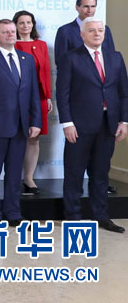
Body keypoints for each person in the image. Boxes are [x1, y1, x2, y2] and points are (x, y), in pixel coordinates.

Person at [56, 17, 128, 233]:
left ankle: (101, 216)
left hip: (108, 125)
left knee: (101, 173)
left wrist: (124, 121)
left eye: (100, 30)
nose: (97, 34)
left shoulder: (115, 57)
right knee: (74, 173)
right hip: (79, 126)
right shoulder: (71, 58)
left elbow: (124, 93)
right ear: (82, 34)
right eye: (92, 30)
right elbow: (62, 94)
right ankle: (73, 217)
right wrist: (67, 123)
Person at [0, 19, 41, 225]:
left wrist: (36, 121)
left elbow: (33, 93)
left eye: (12, 31)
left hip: (20, 127)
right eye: (5, 32)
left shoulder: (27, 60)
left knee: (14, 173)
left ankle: (13, 212)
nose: (11, 34)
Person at [53, 0, 119, 194]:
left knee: (100, 167)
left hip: (104, 112)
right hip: (80, 105)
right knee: (75, 167)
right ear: (77, 7)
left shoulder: (105, 29)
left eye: (93, 6)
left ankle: (98, 201)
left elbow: (110, 62)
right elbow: (61, 64)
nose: (89, 10)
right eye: (85, 6)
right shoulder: (65, 31)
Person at [12, 10, 52, 194]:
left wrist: (48, 96)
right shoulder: (12, 44)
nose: (25, 26)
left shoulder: (41, 45)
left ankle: (29, 178)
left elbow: (46, 71)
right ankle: (13, 177)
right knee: (17, 137)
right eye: (21, 22)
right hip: (18, 97)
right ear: (16, 25)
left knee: (34, 138)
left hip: (39, 97)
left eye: (29, 22)